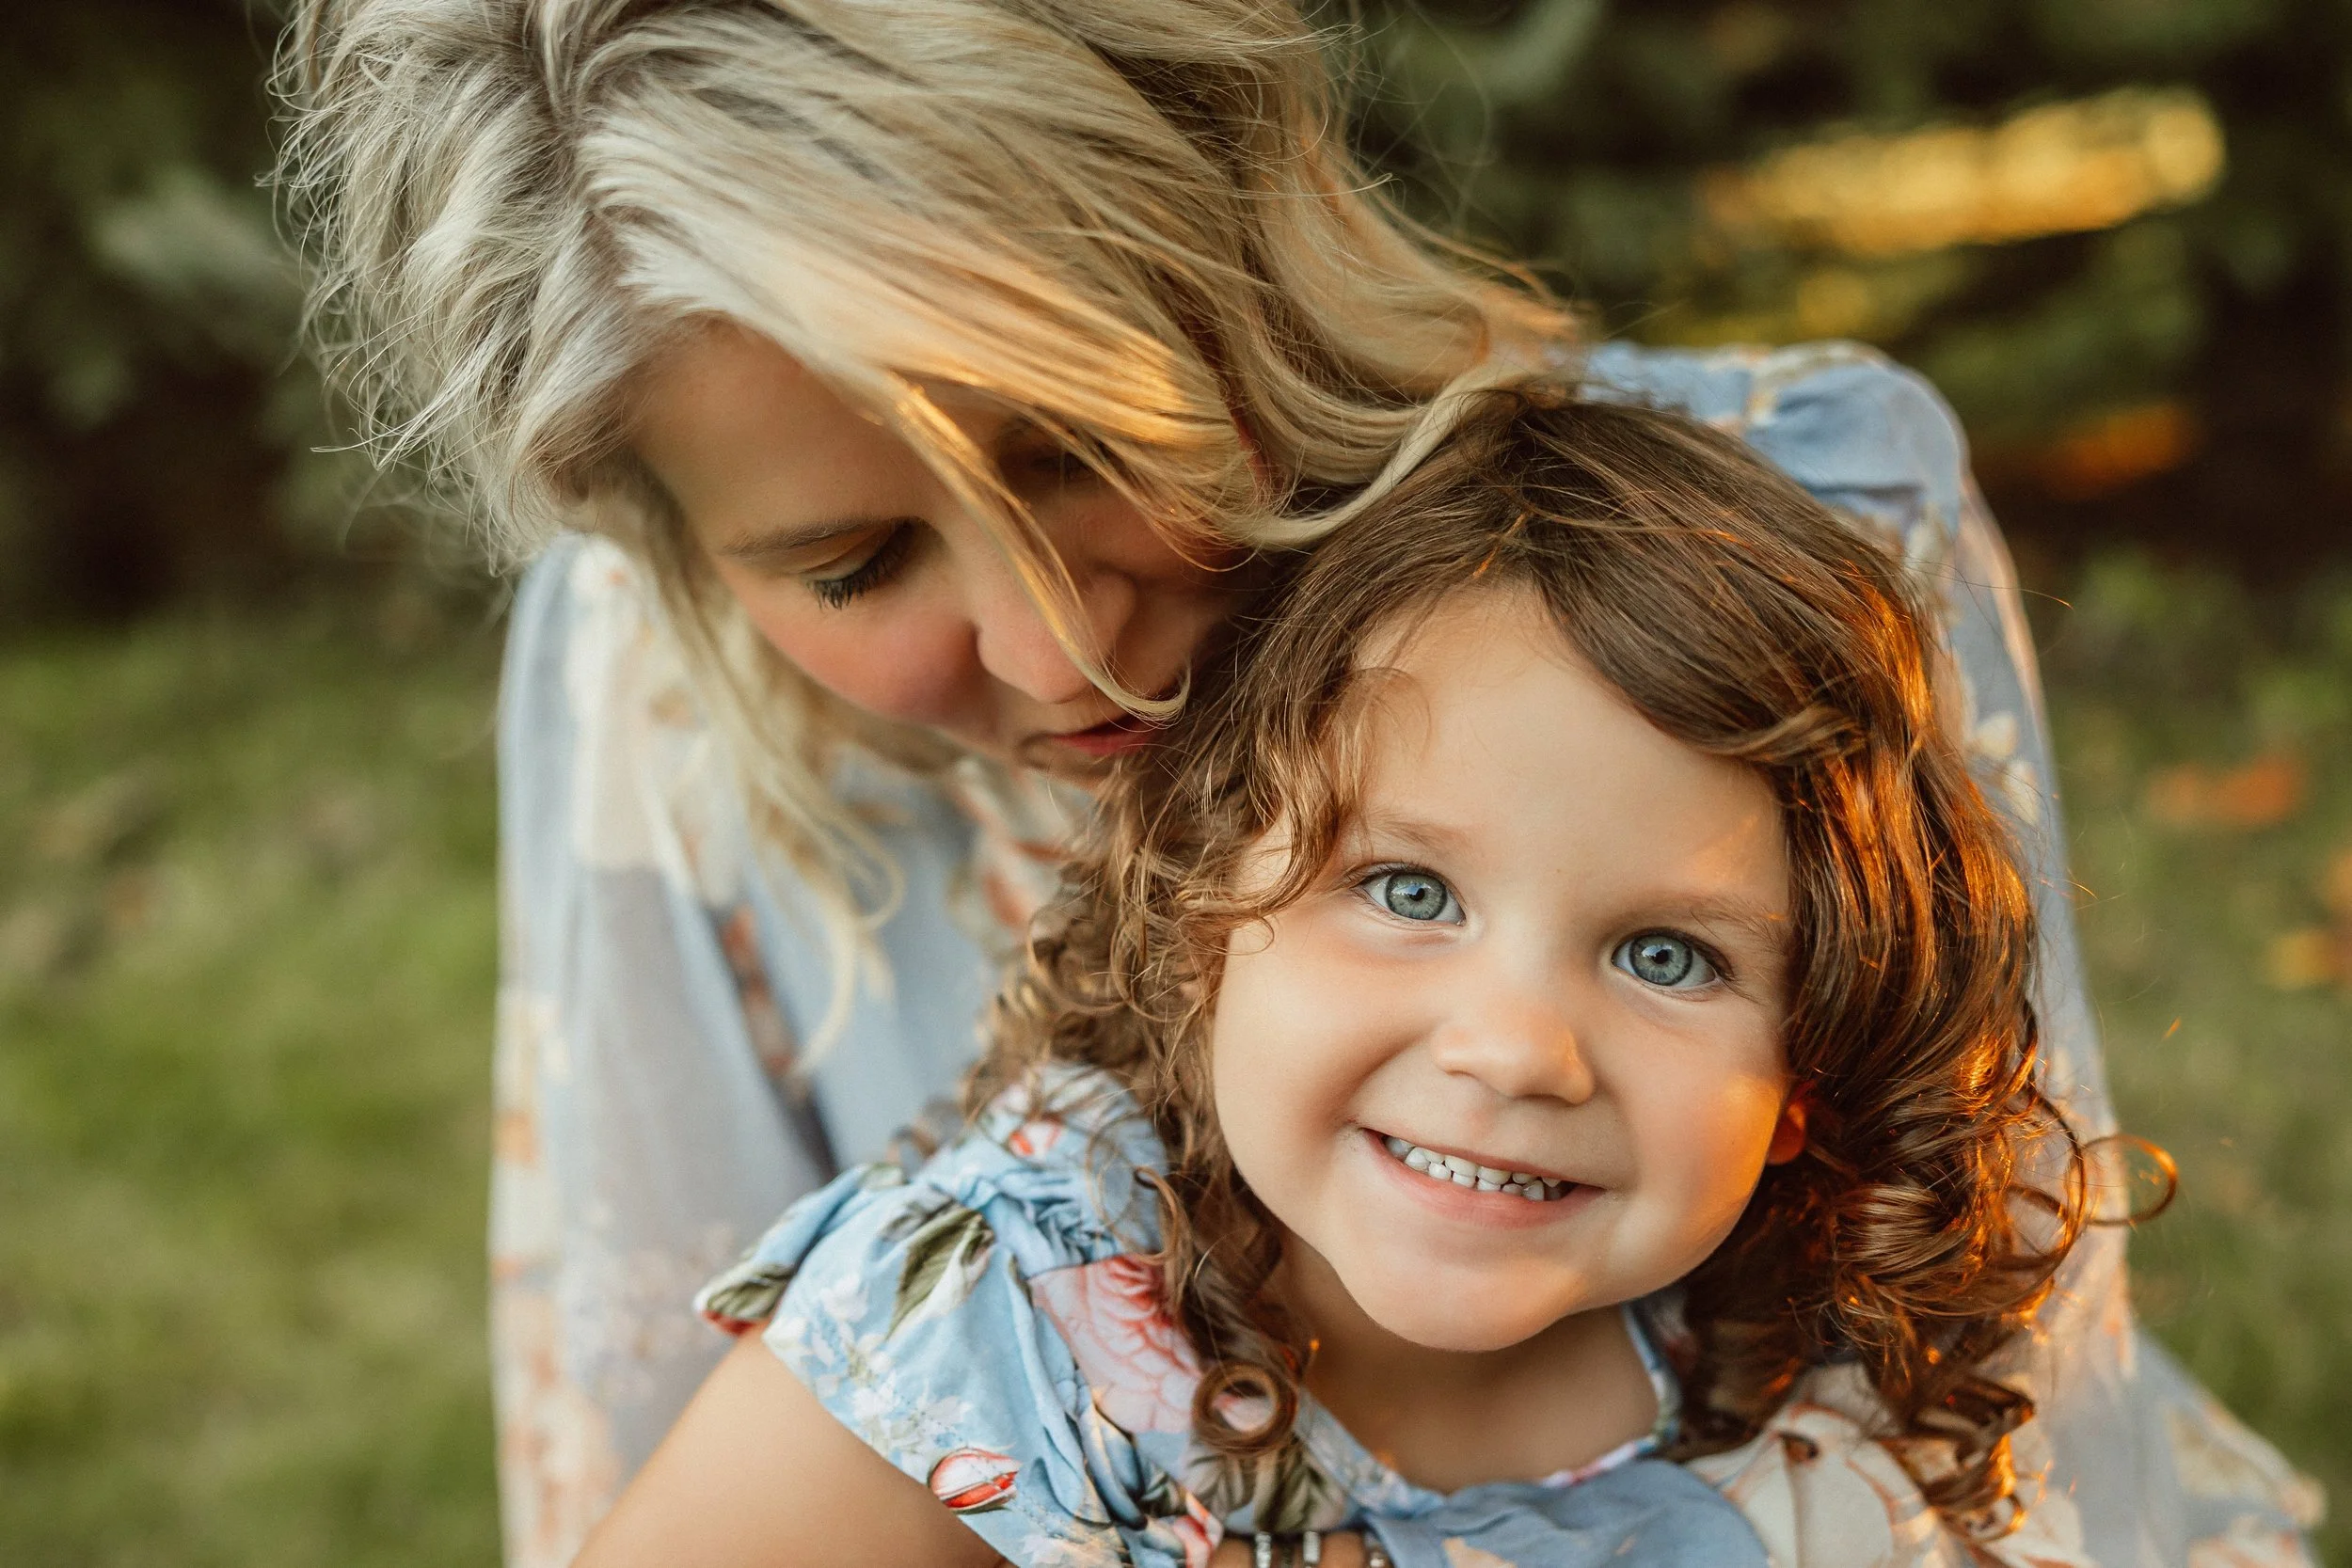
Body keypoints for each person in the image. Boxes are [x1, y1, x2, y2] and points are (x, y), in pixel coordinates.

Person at [274, 2, 2318, 1564]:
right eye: (856, 563)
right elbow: (653, 1432)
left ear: (1241, 257)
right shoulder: (675, 717)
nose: (1053, 644)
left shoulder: (1790, 532)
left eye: (1076, 443)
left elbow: (1993, 1288)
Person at [580, 391, 2117, 1568]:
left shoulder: (1816, 1354)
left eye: (1668, 955)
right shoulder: (998, 1324)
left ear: (1812, 1067)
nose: (1517, 1047)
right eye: (1407, 889)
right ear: (1200, 916)